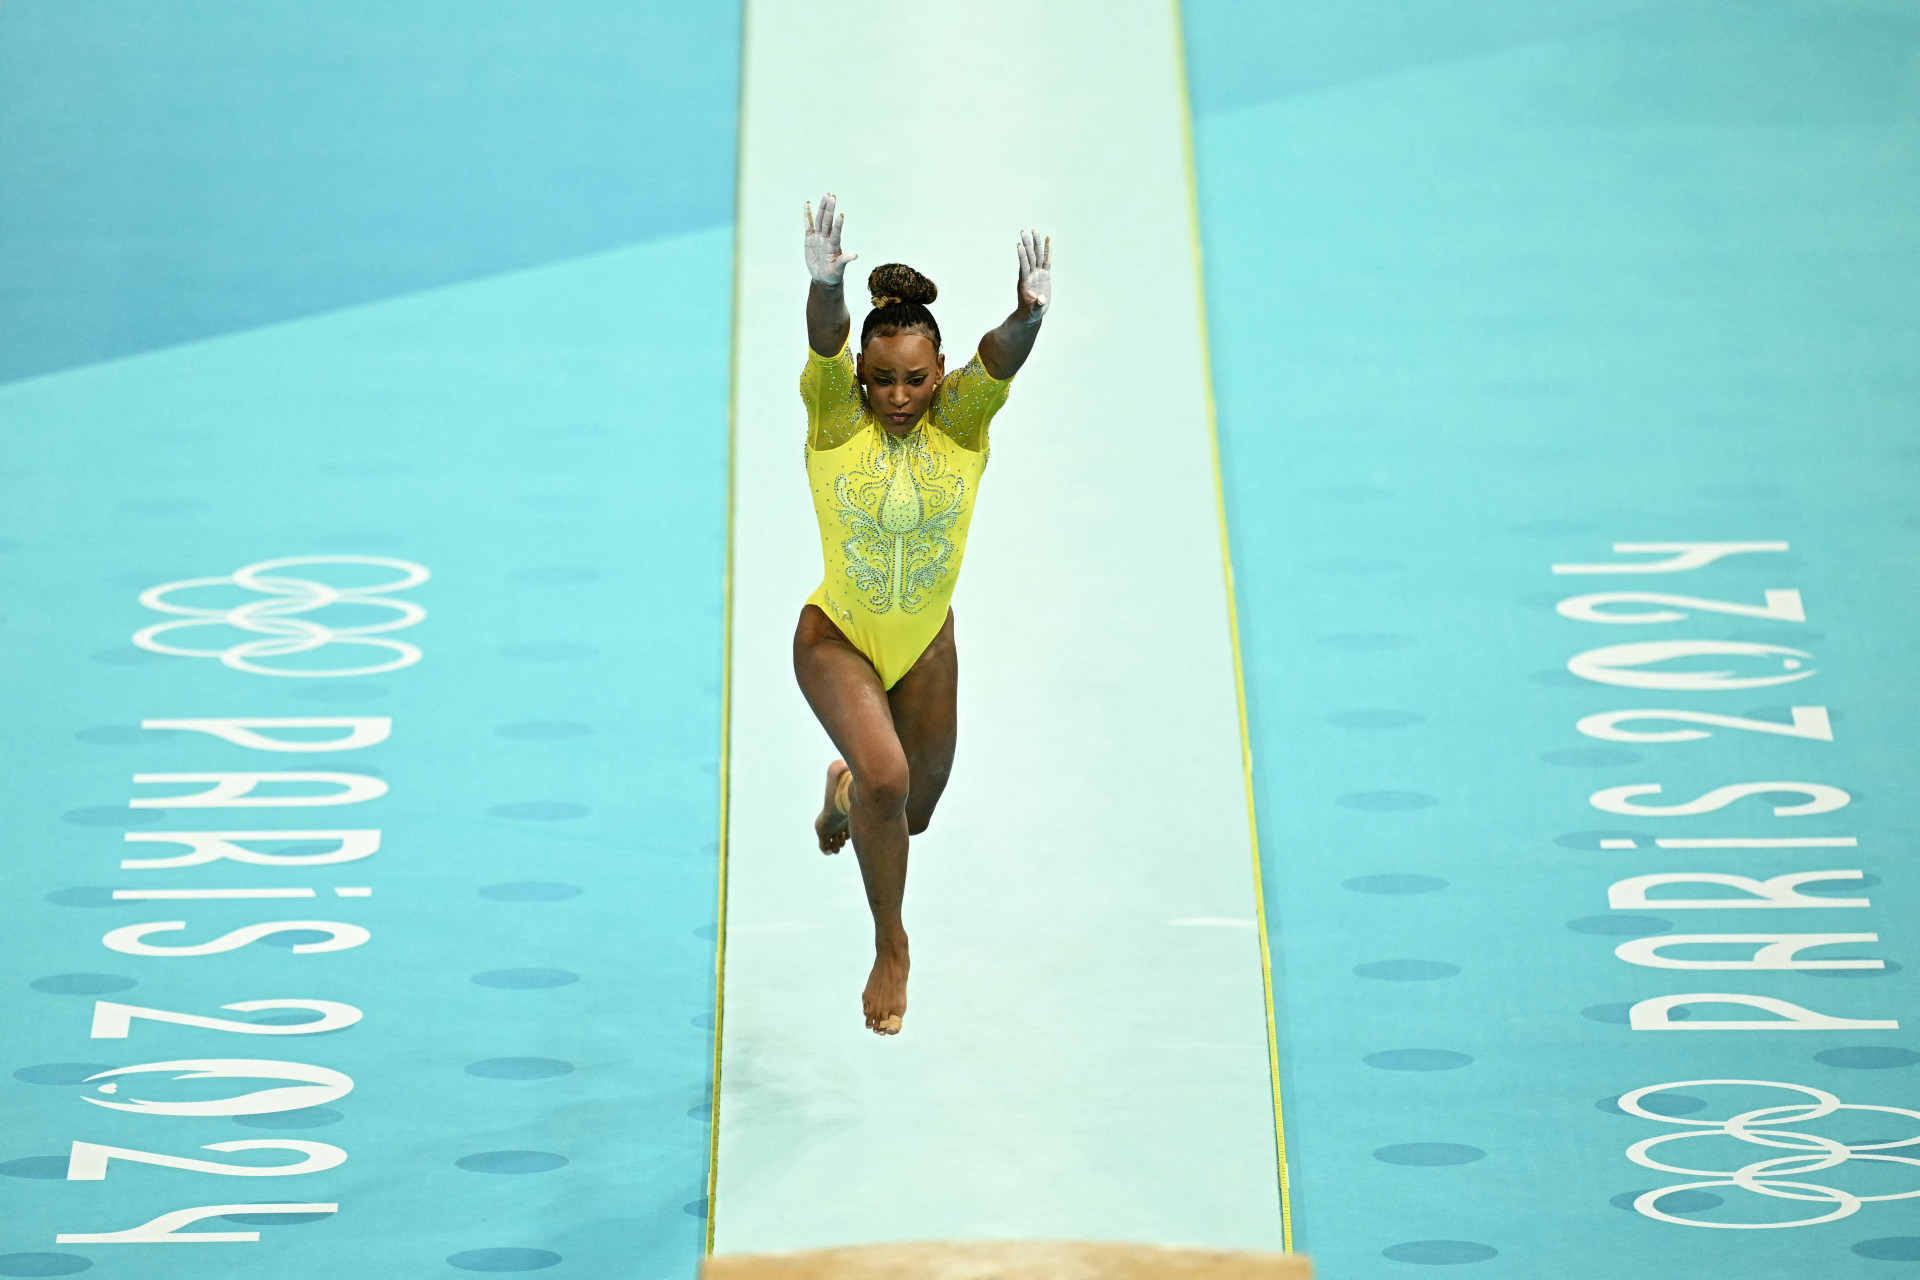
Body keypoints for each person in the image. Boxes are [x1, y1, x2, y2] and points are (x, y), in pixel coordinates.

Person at [794, 193, 1051, 1035]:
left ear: (939, 374)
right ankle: (890, 946)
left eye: (914, 380)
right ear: (860, 380)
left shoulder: (961, 426)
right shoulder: (837, 421)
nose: (897, 396)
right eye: (881, 380)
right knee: (889, 778)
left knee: (910, 814)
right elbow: (826, 340)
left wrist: (1029, 315)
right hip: (837, 638)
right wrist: (826, 286)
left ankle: (841, 792)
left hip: (926, 646)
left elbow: (998, 359)